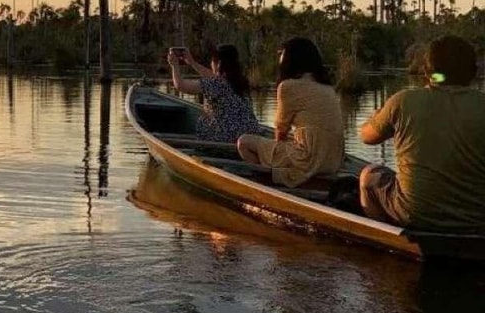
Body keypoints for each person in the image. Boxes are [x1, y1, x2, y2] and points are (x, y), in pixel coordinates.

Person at [359, 35, 485, 232]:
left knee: (368, 176)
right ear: (474, 72)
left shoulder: (403, 101)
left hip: (414, 214)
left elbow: (366, 137)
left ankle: (387, 237)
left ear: (426, 71)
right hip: (476, 219)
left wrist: (376, 117)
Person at [236, 38, 344, 187]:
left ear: (290, 60)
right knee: (287, 144)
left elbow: (280, 132)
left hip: (308, 159)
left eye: (282, 55)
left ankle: (267, 184)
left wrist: (273, 152)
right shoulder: (327, 87)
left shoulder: (288, 86)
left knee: (244, 142)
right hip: (333, 161)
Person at [167, 44, 261, 143]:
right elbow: (213, 76)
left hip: (227, 138)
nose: (211, 64)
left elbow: (181, 85)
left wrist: (174, 65)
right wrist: (192, 63)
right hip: (250, 138)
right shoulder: (242, 81)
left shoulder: (215, 84)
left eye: (212, 61)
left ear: (218, 63)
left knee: (204, 122)